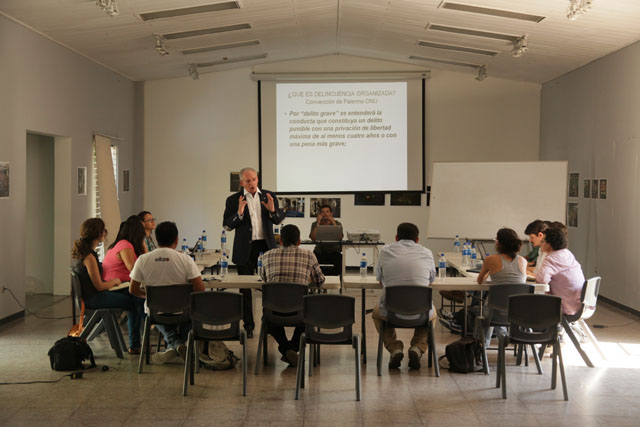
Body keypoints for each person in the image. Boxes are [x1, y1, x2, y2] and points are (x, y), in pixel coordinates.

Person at [129, 221, 205, 364]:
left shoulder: (143, 260)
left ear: (157, 239)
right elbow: (200, 289)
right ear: (176, 240)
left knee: (155, 312)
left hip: (156, 311)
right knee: (195, 311)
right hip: (183, 312)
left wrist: (149, 297)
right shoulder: (185, 259)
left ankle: (173, 345)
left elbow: (132, 289)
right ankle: (177, 344)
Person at [223, 167, 285, 337]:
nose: (251, 183)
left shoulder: (268, 196)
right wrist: (239, 213)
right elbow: (227, 226)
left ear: (257, 180)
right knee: (245, 289)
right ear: (242, 182)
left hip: (266, 247)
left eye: (254, 180)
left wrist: (272, 210)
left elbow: (279, 219)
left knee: (269, 287)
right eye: (247, 181)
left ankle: (270, 323)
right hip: (245, 249)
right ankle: (248, 325)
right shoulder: (234, 199)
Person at [71, 218, 141, 354]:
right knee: (134, 300)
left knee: (132, 295)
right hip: (94, 299)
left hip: (94, 296)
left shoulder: (88, 254)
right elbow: (99, 286)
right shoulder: (89, 257)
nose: (106, 233)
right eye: (104, 230)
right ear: (98, 234)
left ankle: (136, 344)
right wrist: (114, 282)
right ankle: (136, 344)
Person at [372, 222, 436, 370]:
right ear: (417, 240)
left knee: (376, 314)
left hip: (392, 312)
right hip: (420, 312)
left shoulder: (385, 251)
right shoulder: (426, 253)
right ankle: (418, 348)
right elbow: (431, 280)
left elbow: (380, 279)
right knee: (431, 315)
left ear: (396, 237)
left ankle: (395, 348)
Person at [260, 224, 325, 366]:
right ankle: (292, 348)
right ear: (299, 241)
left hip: (274, 312)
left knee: (268, 318)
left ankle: (286, 348)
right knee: (308, 317)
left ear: (280, 241)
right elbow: (319, 281)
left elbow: (264, 279)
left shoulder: (267, 255)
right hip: (299, 313)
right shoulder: (309, 255)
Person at [536, 226, 584, 315]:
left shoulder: (551, 258)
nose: (540, 244)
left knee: (529, 302)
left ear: (549, 244)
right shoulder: (567, 253)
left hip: (566, 306)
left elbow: (541, 280)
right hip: (580, 303)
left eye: (542, 241)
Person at [309, 204, 343, 276]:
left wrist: (333, 221)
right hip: (319, 251)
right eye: (322, 212)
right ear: (320, 214)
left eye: (327, 212)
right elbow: (313, 238)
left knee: (340, 262)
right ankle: (321, 278)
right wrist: (318, 223)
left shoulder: (337, 223)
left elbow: (340, 237)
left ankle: (329, 277)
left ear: (331, 213)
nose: (325, 214)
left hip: (333, 251)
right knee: (311, 262)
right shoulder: (314, 224)